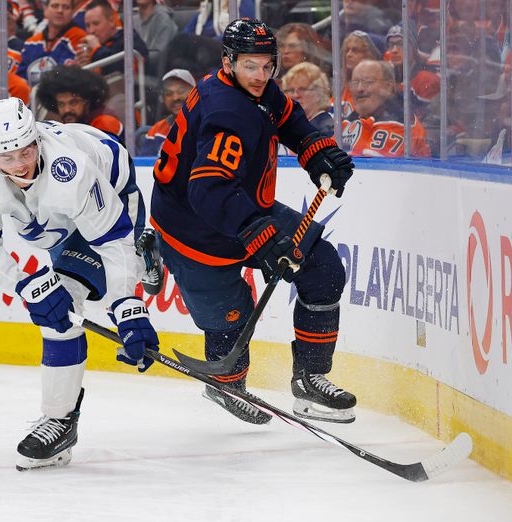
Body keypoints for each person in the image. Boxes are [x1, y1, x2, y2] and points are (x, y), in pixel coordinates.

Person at [150, 19, 357, 425]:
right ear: (228, 62)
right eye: (251, 66)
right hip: (192, 228)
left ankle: (310, 378)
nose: (262, 76)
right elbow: (207, 191)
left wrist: (316, 150)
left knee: (322, 266)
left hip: (239, 205)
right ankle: (225, 383)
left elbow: (287, 116)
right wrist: (258, 232)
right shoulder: (226, 111)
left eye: (267, 65)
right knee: (231, 315)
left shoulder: (251, 87)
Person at [0, 97, 158, 470]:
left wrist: (127, 306)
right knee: (53, 291)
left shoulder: (71, 170)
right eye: (7, 157)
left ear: (37, 141)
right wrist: (26, 284)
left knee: (68, 298)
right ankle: (144, 259)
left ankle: (59, 420)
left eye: (26, 151)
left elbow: (111, 239)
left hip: (111, 188)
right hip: (55, 223)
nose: (20, 164)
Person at [342, 59, 431, 157]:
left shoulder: (400, 120)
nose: (360, 89)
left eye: (368, 82)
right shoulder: (353, 118)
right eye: (355, 83)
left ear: (388, 87)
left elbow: (370, 168)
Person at [36, 64, 124, 140]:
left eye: (73, 102)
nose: (67, 110)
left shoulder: (105, 122)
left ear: (88, 101)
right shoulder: (73, 125)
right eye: (61, 104)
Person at [18, 0, 86, 85]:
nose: (60, 11)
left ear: (72, 12)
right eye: (55, 6)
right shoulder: (31, 43)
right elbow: (21, 78)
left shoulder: (80, 37)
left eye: (66, 7)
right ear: (45, 10)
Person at [137, 68, 195, 156]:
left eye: (181, 91)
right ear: (163, 99)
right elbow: (144, 165)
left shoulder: (209, 125)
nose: (175, 98)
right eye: (168, 94)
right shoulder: (156, 131)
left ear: (195, 93)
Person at [282, 62, 333, 138]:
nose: (296, 95)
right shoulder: (289, 126)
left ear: (319, 93)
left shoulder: (326, 128)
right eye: (291, 90)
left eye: (302, 89)